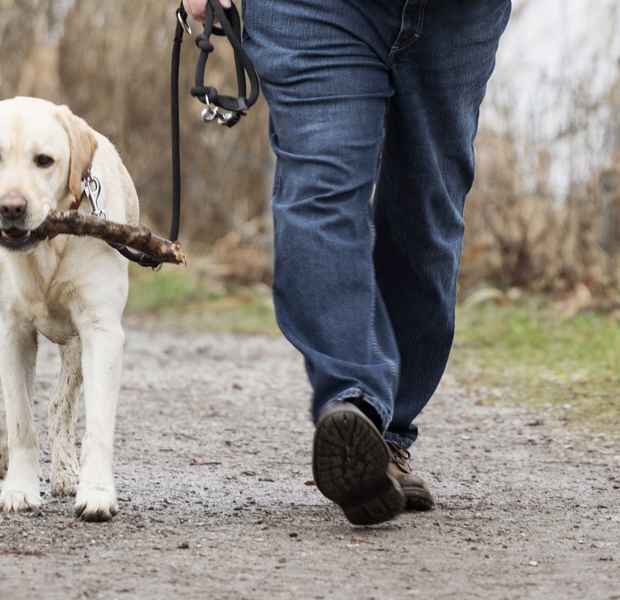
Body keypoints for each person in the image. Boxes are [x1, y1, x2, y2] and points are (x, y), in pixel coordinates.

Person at [181, 0, 511, 525]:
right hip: (311, 9)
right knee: (320, 189)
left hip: (457, 15)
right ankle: (354, 401)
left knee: (426, 212)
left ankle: (384, 432)